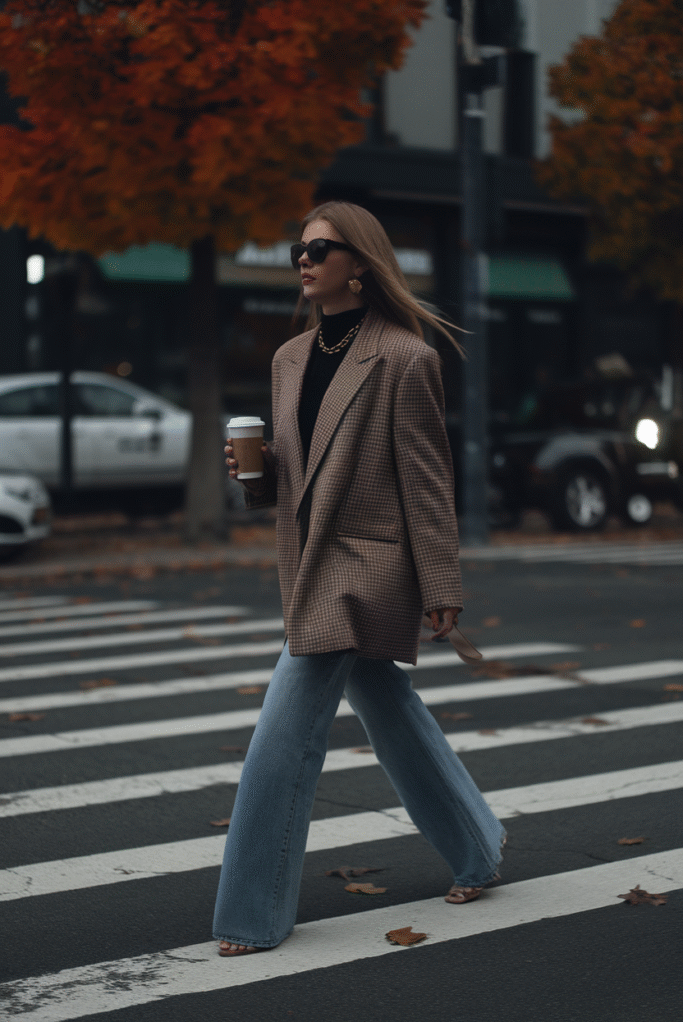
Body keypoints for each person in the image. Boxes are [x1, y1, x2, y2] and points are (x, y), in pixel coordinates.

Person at [213, 201, 506, 956]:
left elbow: (425, 479)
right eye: (296, 249)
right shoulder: (288, 359)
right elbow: (293, 478)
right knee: (388, 707)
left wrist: (440, 583)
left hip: (365, 563)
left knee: (280, 742)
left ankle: (252, 912)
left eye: (319, 248)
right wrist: (253, 477)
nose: (303, 260)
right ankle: (477, 846)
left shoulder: (405, 357)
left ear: (361, 263)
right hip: (307, 558)